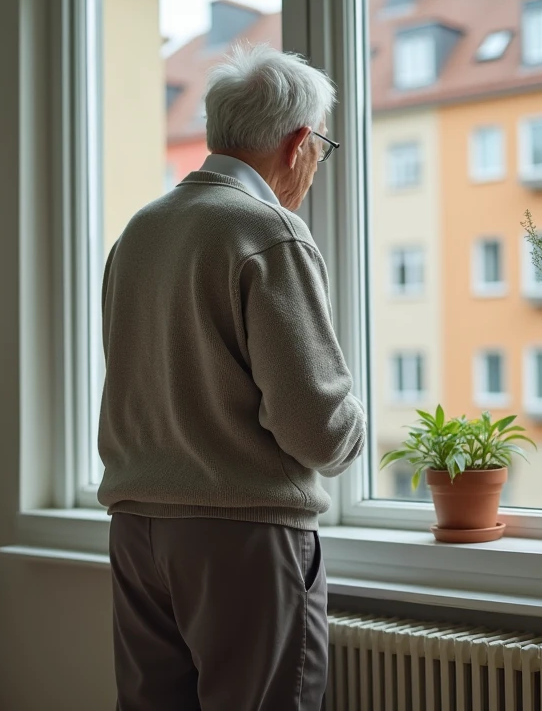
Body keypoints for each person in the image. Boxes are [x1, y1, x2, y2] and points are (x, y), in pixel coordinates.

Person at [97, 42, 367, 711]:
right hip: (241, 538)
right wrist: (356, 429)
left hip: (137, 534)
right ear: (298, 141)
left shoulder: (141, 231)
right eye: (320, 149)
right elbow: (317, 428)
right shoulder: (268, 230)